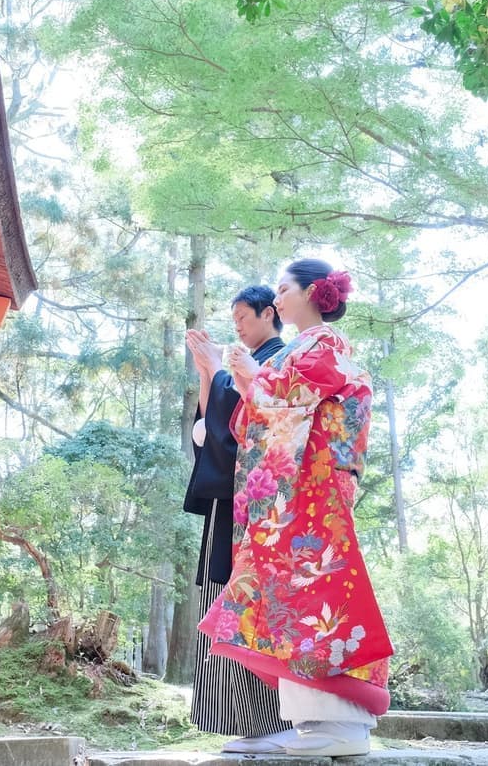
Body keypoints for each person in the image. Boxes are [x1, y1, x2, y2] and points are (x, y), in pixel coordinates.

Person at [199, 258, 392, 757]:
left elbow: (291, 398)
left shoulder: (326, 343)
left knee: (315, 591)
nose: (278, 298)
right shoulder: (308, 346)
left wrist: (250, 380)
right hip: (300, 489)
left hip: (316, 485)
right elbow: (262, 413)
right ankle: (316, 722)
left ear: (312, 292)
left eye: (284, 289)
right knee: (290, 595)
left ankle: (341, 724)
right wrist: (247, 383)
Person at [182, 285, 294, 753]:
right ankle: (248, 722)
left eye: (244, 318)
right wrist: (209, 373)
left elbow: (245, 429)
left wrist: (217, 372)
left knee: (247, 600)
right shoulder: (243, 365)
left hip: (258, 502)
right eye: (234, 321)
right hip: (231, 498)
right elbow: (212, 430)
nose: (238, 328)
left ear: (270, 314)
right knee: (222, 595)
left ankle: (273, 719)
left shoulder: (278, 361)